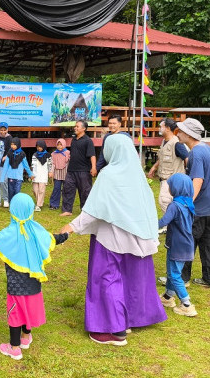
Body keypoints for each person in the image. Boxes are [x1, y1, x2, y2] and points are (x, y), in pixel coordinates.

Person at [61, 135, 166, 346]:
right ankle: (130, 318)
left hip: (112, 237)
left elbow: (95, 208)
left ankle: (112, 329)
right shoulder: (138, 175)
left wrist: (72, 227)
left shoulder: (109, 174)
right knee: (133, 278)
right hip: (138, 237)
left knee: (107, 279)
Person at [0, 193, 69, 360]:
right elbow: (53, 238)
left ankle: (14, 348)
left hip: (15, 285)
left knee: (16, 312)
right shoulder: (37, 230)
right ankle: (25, 338)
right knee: (29, 309)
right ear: (31, 211)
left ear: (12, 211)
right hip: (34, 283)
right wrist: (66, 235)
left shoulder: (9, 233)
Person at [176, 118, 210, 289]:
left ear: (189, 134)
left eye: (181, 131)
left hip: (202, 207)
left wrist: (186, 205)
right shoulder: (207, 148)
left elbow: (197, 180)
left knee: (187, 240)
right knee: (209, 243)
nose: (178, 133)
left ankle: (182, 278)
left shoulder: (195, 153)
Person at [158, 173, 197, 317]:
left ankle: (187, 304)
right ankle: (168, 297)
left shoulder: (174, 205)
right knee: (172, 271)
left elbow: (163, 222)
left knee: (174, 275)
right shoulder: (188, 203)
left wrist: (149, 225)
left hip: (177, 245)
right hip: (186, 244)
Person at [147, 118, 189, 215]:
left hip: (173, 179)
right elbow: (162, 157)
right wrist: (154, 167)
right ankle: (171, 225)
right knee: (169, 203)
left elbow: (187, 159)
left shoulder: (177, 143)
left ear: (167, 128)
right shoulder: (164, 142)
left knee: (164, 201)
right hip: (164, 179)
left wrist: (188, 175)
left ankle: (171, 225)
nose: (159, 129)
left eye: (161, 126)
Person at [60, 120, 97, 217]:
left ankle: (86, 211)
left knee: (85, 191)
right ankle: (67, 210)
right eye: (75, 126)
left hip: (84, 170)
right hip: (71, 170)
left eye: (77, 126)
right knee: (68, 189)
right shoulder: (74, 140)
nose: (75, 128)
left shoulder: (88, 141)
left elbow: (92, 155)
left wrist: (93, 167)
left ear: (84, 129)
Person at [0, 138, 34, 203]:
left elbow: (26, 165)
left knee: (17, 192)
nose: (12, 146)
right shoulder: (9, 153)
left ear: (18, 144)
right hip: (11, 176)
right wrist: (2, 177)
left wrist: (30, 174)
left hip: (18, 177)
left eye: (14, 144)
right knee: (11, 192)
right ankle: (11, 206)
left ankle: (16, 205)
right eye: (11, 144)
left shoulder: (22, 154)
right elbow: (5, 166)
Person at [48, 138, 69, 210]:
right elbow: (52, 164)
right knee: (56, 189)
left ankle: (66, 205)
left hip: (65, 173)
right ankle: (54, 204)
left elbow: (69, 163)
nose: (59, 146)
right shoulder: (54, 154)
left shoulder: (67, 153)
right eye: (58, 145)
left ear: (64, 145)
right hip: (57, 174)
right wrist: (51, 172)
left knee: (66, 190)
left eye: (61, 145)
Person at [31, 140, 51, 211]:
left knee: (41, 190)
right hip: (36, 174)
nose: (39, 148)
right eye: (37, 147)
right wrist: (31, 174)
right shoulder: (34, 155)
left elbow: (50, 165)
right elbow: (33, 165)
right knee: (35, 190)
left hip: (43, 174)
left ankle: (39, 205)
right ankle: (38, 201)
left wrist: (50, 172)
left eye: (40, 147)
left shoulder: (48, 155)